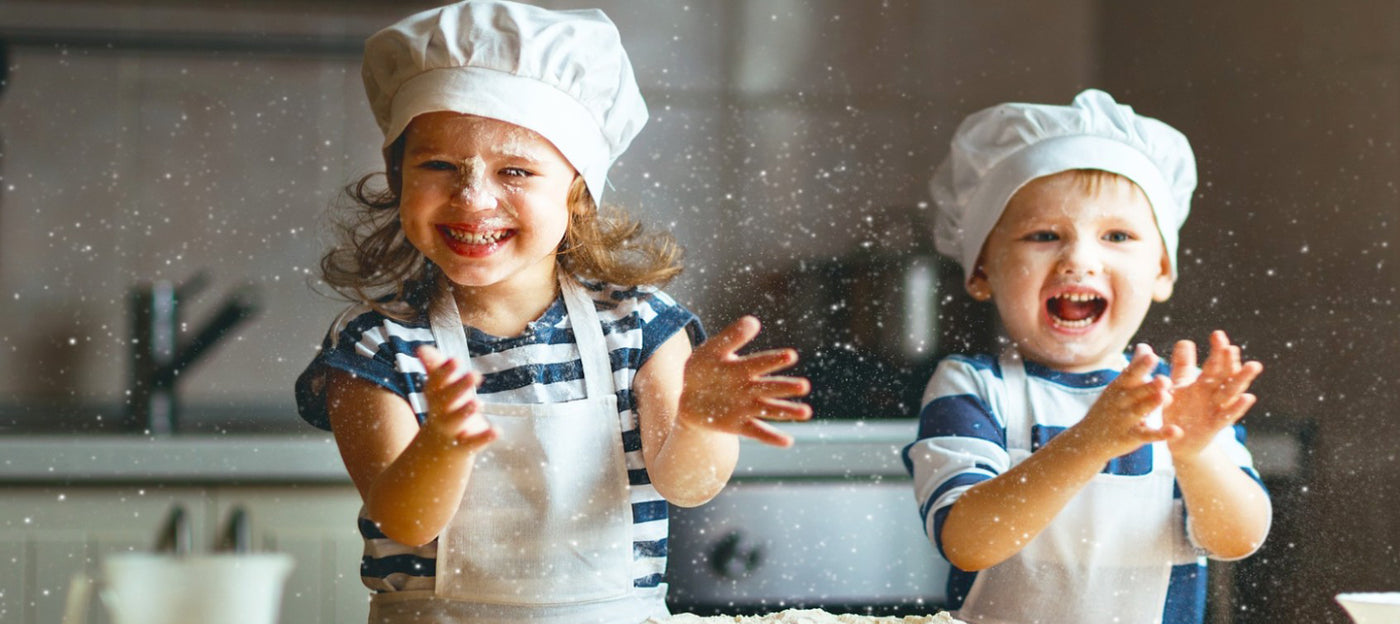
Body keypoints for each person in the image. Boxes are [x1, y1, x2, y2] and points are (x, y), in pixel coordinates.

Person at [294, 3, 811, 623]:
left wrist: (699, 422)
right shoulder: (378, 344)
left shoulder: (641, 325)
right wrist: (443, 446)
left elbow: (686, 485)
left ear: (578, 191)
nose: (473, 197)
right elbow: (404, 520)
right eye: (438, 165)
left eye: (515, 169)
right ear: (396, 174)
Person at [903, 89, 1272, 624]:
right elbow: (966, 539)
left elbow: (1237, 539)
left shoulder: (1182, 399)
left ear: (1162, 272)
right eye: (1044, 235)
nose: (1079, 259)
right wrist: (1090, 442)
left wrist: (1195, 455)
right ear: (982, 270)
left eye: (1117, 235)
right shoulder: (975, 387)